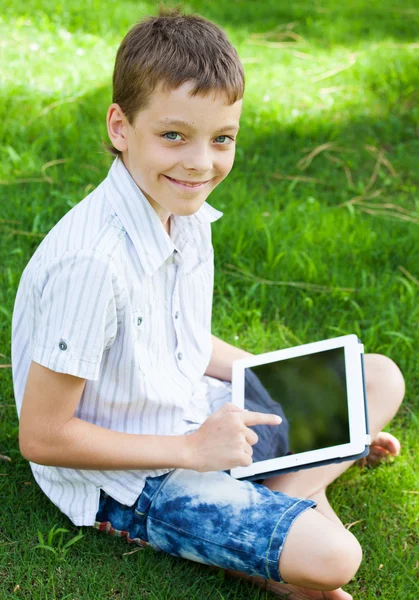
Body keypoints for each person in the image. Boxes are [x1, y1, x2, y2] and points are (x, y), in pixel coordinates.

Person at [11, 7, 405, 600]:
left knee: (375, 377)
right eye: (174, 135)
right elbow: (42, 436)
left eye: (222, 139)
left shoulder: (183, 211)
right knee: (336, 558)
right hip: (133, 478)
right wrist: (191, 451)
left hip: (194, 415)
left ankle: (276, 501)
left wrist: (293, 392)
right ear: (121, 127)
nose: (201, 163)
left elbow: (179, 345)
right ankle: (284, 511)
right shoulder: (90, 263)